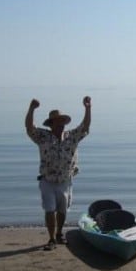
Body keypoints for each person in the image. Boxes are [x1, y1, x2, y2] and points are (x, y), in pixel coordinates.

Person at [25, 96, 91, 250]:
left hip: (65, 181)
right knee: (49, 209)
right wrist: (31, 109)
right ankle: (51, 239)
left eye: (62, 122)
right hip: (47, 180)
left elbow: (85, 127)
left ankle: (59, 234)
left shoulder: (72, 137)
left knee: (62, 210)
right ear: (51, 124)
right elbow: (29, 128)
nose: (60, 125)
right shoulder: (43, 137)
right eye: (57, 122)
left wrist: (88, 108)